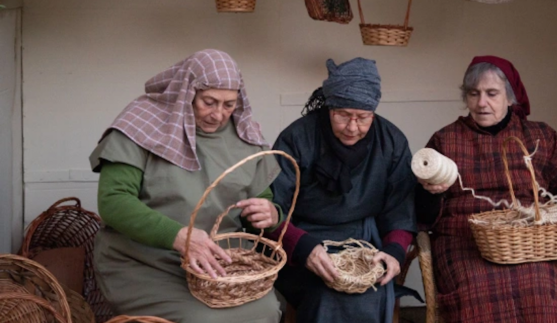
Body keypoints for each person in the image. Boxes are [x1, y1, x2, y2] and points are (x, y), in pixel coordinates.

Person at [416, 55, 557, 323]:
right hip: (464, 239)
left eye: (492, 93)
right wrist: (430, 191)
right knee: (476, 292)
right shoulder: (446, 140)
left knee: (538, 290)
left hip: (530, 242)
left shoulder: (539, 136)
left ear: (510, 97)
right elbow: (424, 213)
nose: (481, 103)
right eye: (474, 93)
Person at [89, 49, 282, 323]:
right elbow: (113, 201)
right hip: (145, 262)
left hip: (217, 264)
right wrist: (179, 236)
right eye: (209, 102)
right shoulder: (141, 125)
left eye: (229, 105)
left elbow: (262, 200)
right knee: (203, 320)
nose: (218, 115)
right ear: (187, 91)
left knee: (268, 311)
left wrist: (271, 213)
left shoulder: (244, 133)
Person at [269, 57, 417, 323]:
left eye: (363, 118)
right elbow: (272, 209)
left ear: (373, 113)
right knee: (325, 293)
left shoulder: (391, 141)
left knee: (368, 292)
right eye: (343, 115)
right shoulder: (297, 138)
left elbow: (400, 207)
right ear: (329, 107)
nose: (352, 127)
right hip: (302, 243)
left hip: (366, 242)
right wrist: (302, 246)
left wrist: (395, 250)